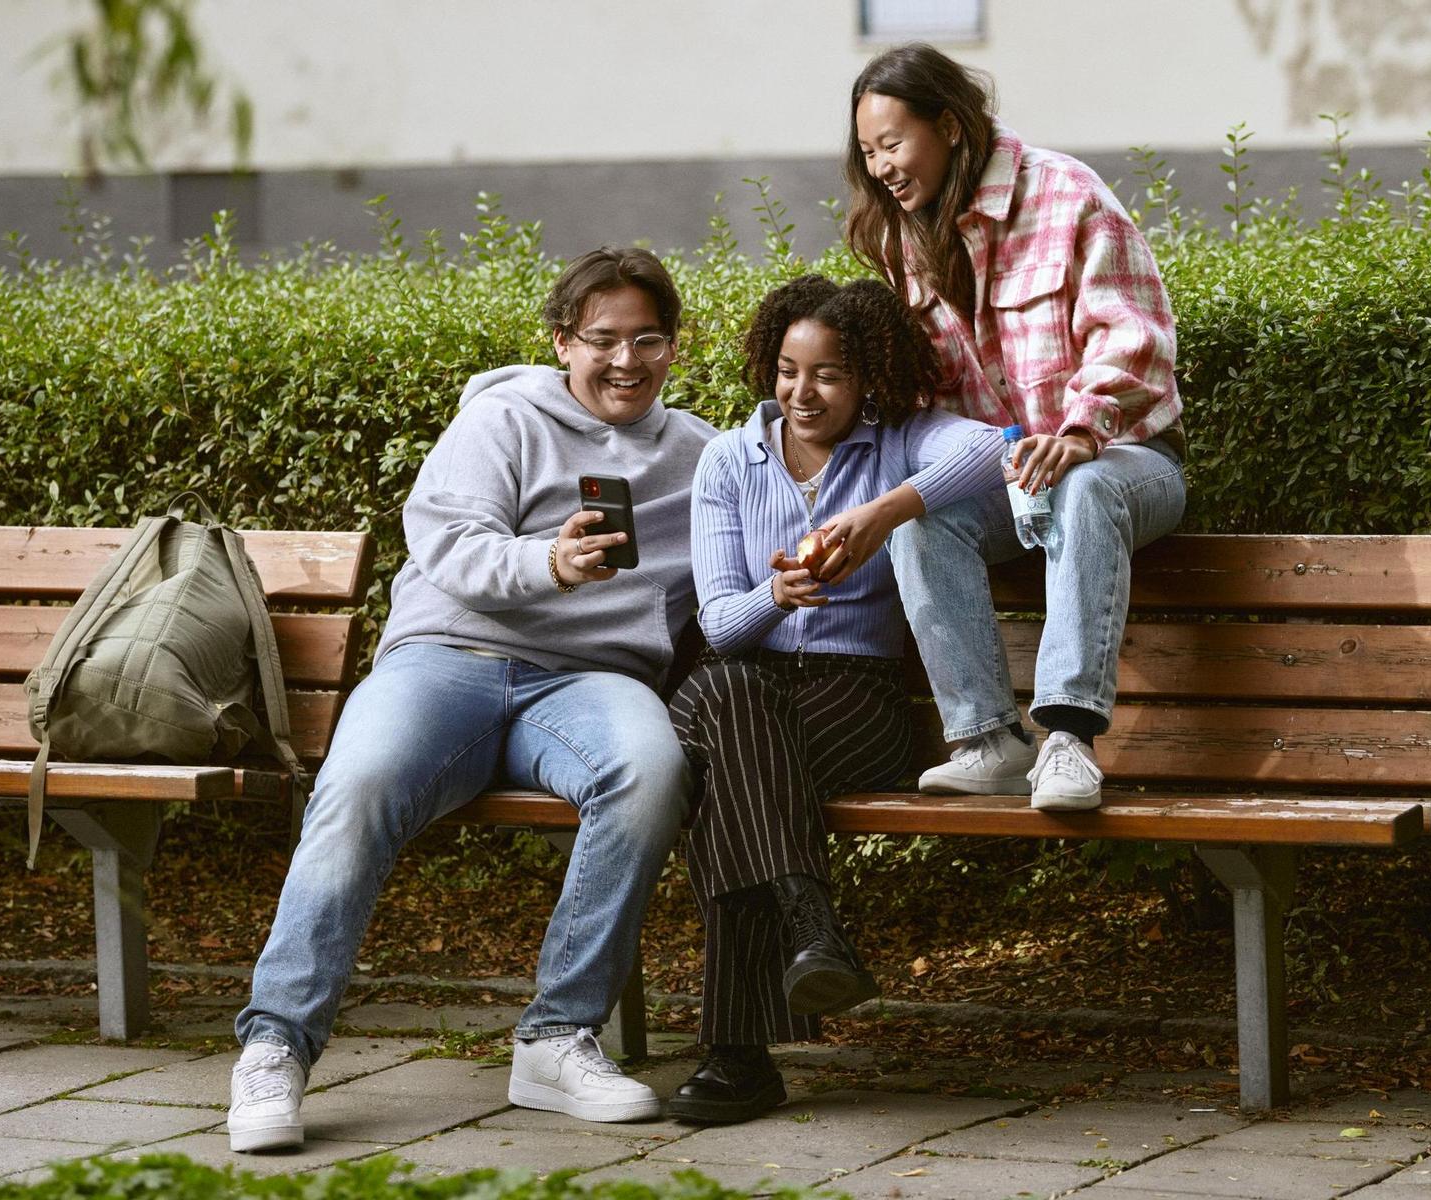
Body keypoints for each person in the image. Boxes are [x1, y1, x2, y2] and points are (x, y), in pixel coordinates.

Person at [226, 247, 719, 1152]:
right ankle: (273, 1047)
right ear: (563, 341)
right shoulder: (502, 419)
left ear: (674, 347)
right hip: (450, 657)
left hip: (590, 682)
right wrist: (549, 562)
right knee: (361, 781)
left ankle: (556, 1038)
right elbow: (448, 541)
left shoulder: (700, 453)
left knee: (651, 772)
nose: (626, 361)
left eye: (648, 339)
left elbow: (750, 549)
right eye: (603, 339)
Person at [663, 275, 1004, 1124]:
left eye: (828, 375)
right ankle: (809, 922)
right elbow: (719, 624)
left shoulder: (899, 443)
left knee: (732, 780)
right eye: (786, 371)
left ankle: (739, 1057)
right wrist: (773, 597)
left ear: (868, 380)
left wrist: (886, 515)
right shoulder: (728, 463)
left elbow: (999, 444)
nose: (801, 394)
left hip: (855, 700)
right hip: (741, 680)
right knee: (738, 698)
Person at [847, 43, 1189, 813]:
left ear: (952, 127)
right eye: (869, 153)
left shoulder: (1067, 195)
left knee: (1087, 486)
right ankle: (989, 741)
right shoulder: (912, 238)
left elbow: (1133, 335)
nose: (882, 168)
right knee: (920, 524)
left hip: (1130, 460)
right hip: (1013, 481)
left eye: (894, 143)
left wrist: (1080, 430)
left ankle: (1068, 739)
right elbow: (933, 393)